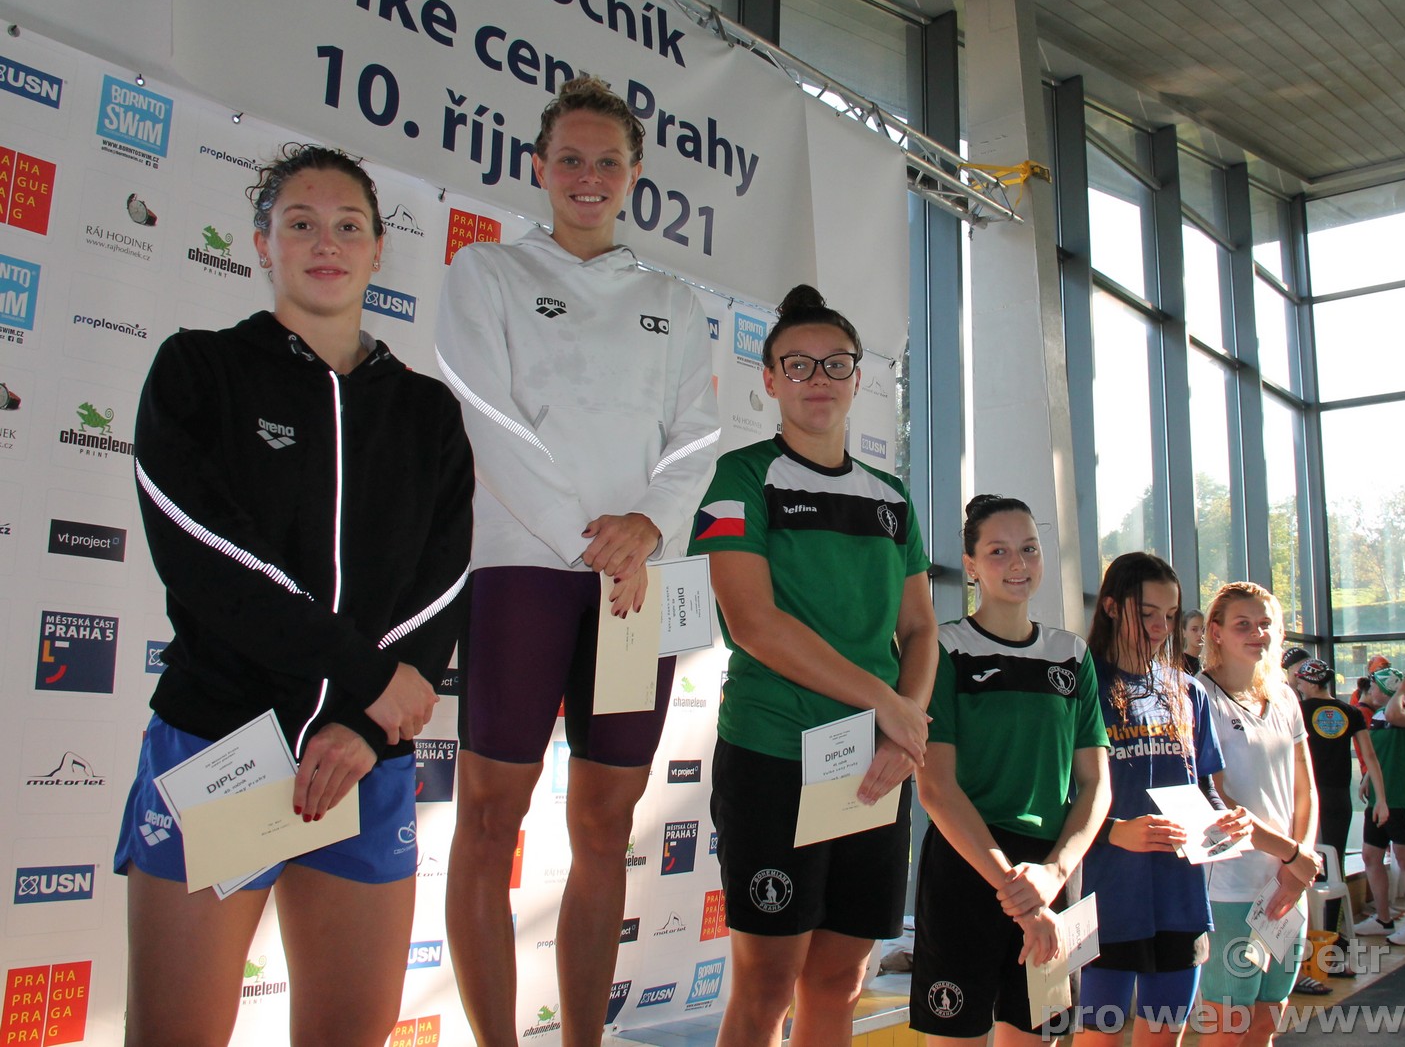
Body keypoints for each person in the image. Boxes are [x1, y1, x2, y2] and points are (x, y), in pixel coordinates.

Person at [115, 145, 473, 1046]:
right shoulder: (199, 370)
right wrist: (368, 677)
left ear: (378, 249)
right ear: (260, 243)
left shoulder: (427, 413)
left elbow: (443, 582)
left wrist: (363, 725)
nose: (326, 242)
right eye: (300, 223)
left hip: (364, 763)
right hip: (221, 744)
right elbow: (205, 553)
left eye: (349, 225)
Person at [434, 75, 719, 1046]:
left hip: (640, 586)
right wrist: (589, 538)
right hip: (524, 568)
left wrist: (647, 528)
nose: (587, 176)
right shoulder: (488, 273)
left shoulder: (673, 299)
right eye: (569, 159)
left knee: (606, 824)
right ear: (539, 167)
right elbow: (486, 415)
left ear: (634, 175)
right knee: (489, 817)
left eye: (606, 161)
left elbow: (698, 434)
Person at [687, 284, 938, 1047]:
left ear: (858, 377)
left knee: (840, 981)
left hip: (874, 765)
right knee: (766, 984)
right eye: (798, 364)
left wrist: (902, 731)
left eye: (835, 363)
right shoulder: (739, 478)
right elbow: (754, 623)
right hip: (774, 753)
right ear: (770, 380)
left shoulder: (891, 497)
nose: (817, 378)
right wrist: (888, 705)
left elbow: (921, 627)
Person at [910, 496, 1111, 1044]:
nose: (1018, 563)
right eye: (998, 551)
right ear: (971, 565)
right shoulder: (945, 649)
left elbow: (1095, 785)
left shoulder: (1071, 655)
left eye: (1029, 548)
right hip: (969, 867)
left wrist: (1053, 874)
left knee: (1037, 1034)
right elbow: (936, 788)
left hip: (1051, 871)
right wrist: (1017, 892)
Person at [1078, 554, 1250, 1046]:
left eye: (1170, 615)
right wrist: (1114, 831)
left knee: (1164, 1034)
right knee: (1099, 1035)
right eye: (1147, 612)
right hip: (1108, 898)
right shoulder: (1082, 687)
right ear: (1112, 607)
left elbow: (1204, 785)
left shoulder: (1187, 691)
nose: (1160, 627)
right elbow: (1059, 794)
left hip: (1180, 898)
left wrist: (1225, 822)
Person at [1193, 583, 1319, 1047]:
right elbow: (1218, 801)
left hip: (1287, 883)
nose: (1256, 633)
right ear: (1216, 632)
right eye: (1242, 624)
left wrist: (1298, 863)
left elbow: (1305, 790)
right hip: (1230, 887)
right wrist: (1292, 857)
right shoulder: (1199, 696)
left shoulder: (1284, 697)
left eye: (1265, 624)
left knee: (1267, 1020)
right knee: (1229, 1027)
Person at [1293, 657, 1385, 974]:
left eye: (1300, 680)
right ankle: (1331, 943)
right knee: (1335, 867)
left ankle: (1306, 944)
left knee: (1303, 863)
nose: (1297, 685)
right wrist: (1381, 800)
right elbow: (1370, 757)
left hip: (1306, 796)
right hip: (1338, 799)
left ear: (1311, 682)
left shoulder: (1298, 712)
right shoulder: (1351, 712)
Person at [1351, 667, 1405, 944]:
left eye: (1375, 686)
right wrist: (1367, 778)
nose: (1370, 690)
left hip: (1404, 798)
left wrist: (1401, 693)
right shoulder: (1379, 717)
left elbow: (1397, 715)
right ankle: (1383, 918)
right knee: (1371, 855)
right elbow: (1377, 753)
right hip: (1378, 800)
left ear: (1387, 690)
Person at [1181, 609, 1206, 676]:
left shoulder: (1211, 662)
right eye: (1194, 629)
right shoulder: (1178, 664)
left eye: (1203, 629)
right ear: (1184, 632)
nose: (1200, 634)